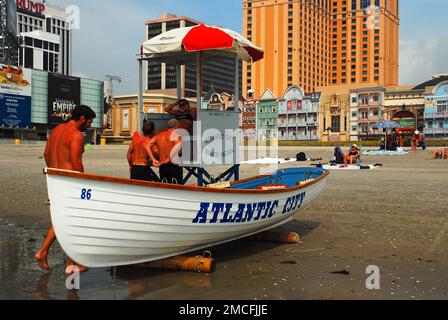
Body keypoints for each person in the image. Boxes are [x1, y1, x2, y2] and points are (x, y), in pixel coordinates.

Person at [35, 105, 96, 274]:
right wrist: (82, 183)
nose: (89, 126)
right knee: (73, 221)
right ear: (82, 118)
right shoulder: (76, 135)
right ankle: (71, 264)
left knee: (60, 218)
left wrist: (55, 173)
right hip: (70, 182)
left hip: (55, 179)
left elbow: (47, 154)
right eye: (89, 122)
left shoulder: (56, 130)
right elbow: (76, 163)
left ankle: (43, 252)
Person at [146, 119, 184, 184]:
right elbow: (177, 148)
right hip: (174, 166)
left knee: (164, 187)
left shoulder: (159, 135)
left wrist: (153, 159)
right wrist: (169, 159)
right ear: (176, 126)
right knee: (176, 189)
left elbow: (147, 146)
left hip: (163, 166)